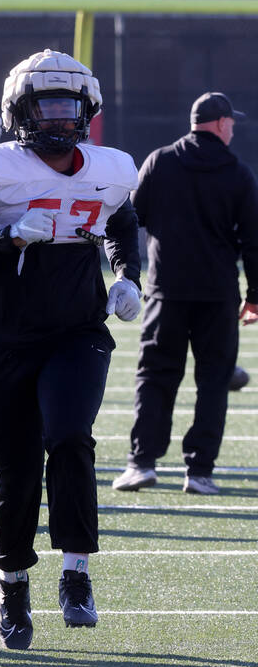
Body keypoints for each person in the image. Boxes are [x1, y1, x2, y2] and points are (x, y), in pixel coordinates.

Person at [0, 49, 142, 650]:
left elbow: (121, 223)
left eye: (68, 106)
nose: (58, 119)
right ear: (20, 112)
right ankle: (13, 586)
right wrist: (4, 238)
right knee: (17, 469)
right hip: (6, 337)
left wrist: (127, 275)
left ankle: (76, 572)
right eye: (46, 107)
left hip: (78, 330)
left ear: (87, 110)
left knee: (71, 435)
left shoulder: (110, 167)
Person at [112, 92, 258, 496]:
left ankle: (141, 463)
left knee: (155, 377)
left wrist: (130, 269)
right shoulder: (238, 172)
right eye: (232, 123)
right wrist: (255, 296)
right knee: (213, 382)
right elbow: (253, 242)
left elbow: (132, 217)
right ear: (222, 123)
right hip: (217, 294)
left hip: (166, 291)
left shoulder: (160, 161)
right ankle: (199, 471)